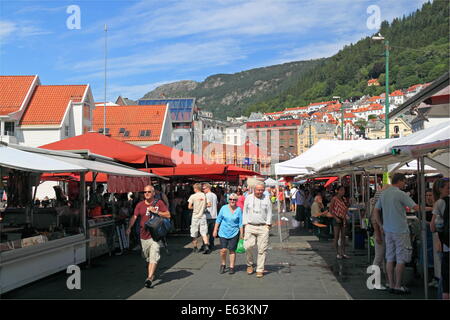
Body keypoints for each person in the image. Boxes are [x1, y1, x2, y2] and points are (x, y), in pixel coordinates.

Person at [373, 173, 419, 295]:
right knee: (401, 259)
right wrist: (432, 208)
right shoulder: (400, 194)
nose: (405, 184)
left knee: (390, 258)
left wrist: (381, 225)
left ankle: (391, 284)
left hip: (388, 230)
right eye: (404, 181)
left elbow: (376, 211)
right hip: (400, 230)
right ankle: (398, 285)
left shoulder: (384, 194)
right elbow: (416, 207)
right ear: (399, 181)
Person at [126, 185, 170, 288]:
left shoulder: (159, 203)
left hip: (155, 235)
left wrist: (156, 211)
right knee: (146, 256)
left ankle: (149, 278)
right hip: (143, 235)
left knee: (154, 256)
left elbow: (168, 215)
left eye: (149, 192)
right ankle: (150, 268)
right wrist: (129, 228)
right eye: (145, 192)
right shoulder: (140, 205)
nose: (146, 193)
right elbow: (135, 216)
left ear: (154, 193)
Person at [243, 182, 272, 278]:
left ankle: (260, 269)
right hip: (250, 226)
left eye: (261, 190)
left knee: (262, 249)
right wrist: (245, 224)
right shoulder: (248, 197)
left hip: (263, 227)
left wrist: (268, 225)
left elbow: (269, 212)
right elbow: (245, 211)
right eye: (258, 190)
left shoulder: (266, 199)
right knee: (248, 246)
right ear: (254, 190)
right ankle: (249, 264)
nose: (259, 191)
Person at [213, 193, 244, 275]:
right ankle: (223, 264)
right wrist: (215, 230)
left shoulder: (239, 210)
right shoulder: (223, 208)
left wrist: (242, 234)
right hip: (223, 232)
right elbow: (218, 220)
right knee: (223, 250)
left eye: (234, 199)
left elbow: (241, 223)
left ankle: (231, 266)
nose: (232, 201)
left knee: (232, 250)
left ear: (237, 201)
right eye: (230, 199)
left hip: (234, 232)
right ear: (228, 200)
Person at [430, 178, 449, 300]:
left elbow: (433, 227)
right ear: (440, 189)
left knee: (446, 277)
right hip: (444, 244)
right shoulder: (442, 203)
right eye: (448, 188)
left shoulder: (440, 203)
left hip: (444, 243)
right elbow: (434, 226)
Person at [188, 183, 210, 254]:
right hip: (202, 215)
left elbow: (189, 206)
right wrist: (203, 206)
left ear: (195, 189)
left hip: (195, 216)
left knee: (194, 232)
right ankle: (206, 245)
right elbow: (209, 204)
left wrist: (196, 207)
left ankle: (195, 247)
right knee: (204, 232)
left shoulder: (193, 196)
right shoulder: (204, 195)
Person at [329, 186, 350, 260]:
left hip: (343, 218)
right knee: (337, 236)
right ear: (337, 191)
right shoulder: (334, 199)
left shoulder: (344, 199)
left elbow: (345, 208)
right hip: (336, 219)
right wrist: (336, 218)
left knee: (343, 236)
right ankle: (337, 253)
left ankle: (343, 253)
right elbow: (331, 210)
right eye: (341, 190)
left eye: (343, 190)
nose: (342, 192)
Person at [203, 183, 218, 251]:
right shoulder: (214, 195)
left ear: (208, 188)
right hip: (214, 215)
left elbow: (207, 205)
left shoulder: (206, 195)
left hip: (207, 216)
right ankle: (211, 244)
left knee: (204, 232)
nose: (203, 190)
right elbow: (217, 203)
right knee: (211, 232)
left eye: (204, 188)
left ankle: (205, 245)